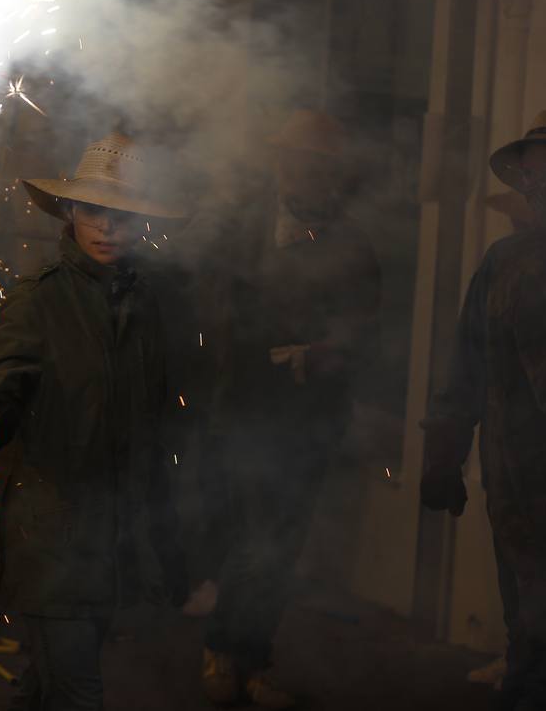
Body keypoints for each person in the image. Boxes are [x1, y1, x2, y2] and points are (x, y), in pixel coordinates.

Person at [0, 133, 189, 711]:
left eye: (124, 216)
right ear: (72, 211)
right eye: (95, 211)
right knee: (78, 693)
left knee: (45, 683)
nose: (108, 228)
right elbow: (0, 383)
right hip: (51, 530)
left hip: (114, 529)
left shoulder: (145, 300)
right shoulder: (40, 298)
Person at [198, 110, 381, 709]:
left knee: (282, 543)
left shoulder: (351, 244)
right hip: (244, 411)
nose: (305, 172)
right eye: (297, 159)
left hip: (310, 419)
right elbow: (211, 317)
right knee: (252, 537)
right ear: (280, 164)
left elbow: (366, 328)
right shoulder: (241, 231)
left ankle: (250, 657)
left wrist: (330, 352)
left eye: (319, 164)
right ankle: (226, 650)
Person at [425, 114, 546, 711]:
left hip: (542, 500)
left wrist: (445, 454)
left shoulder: (538, 259)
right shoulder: (539, 265)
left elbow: (466, 370)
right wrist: (444, 453)